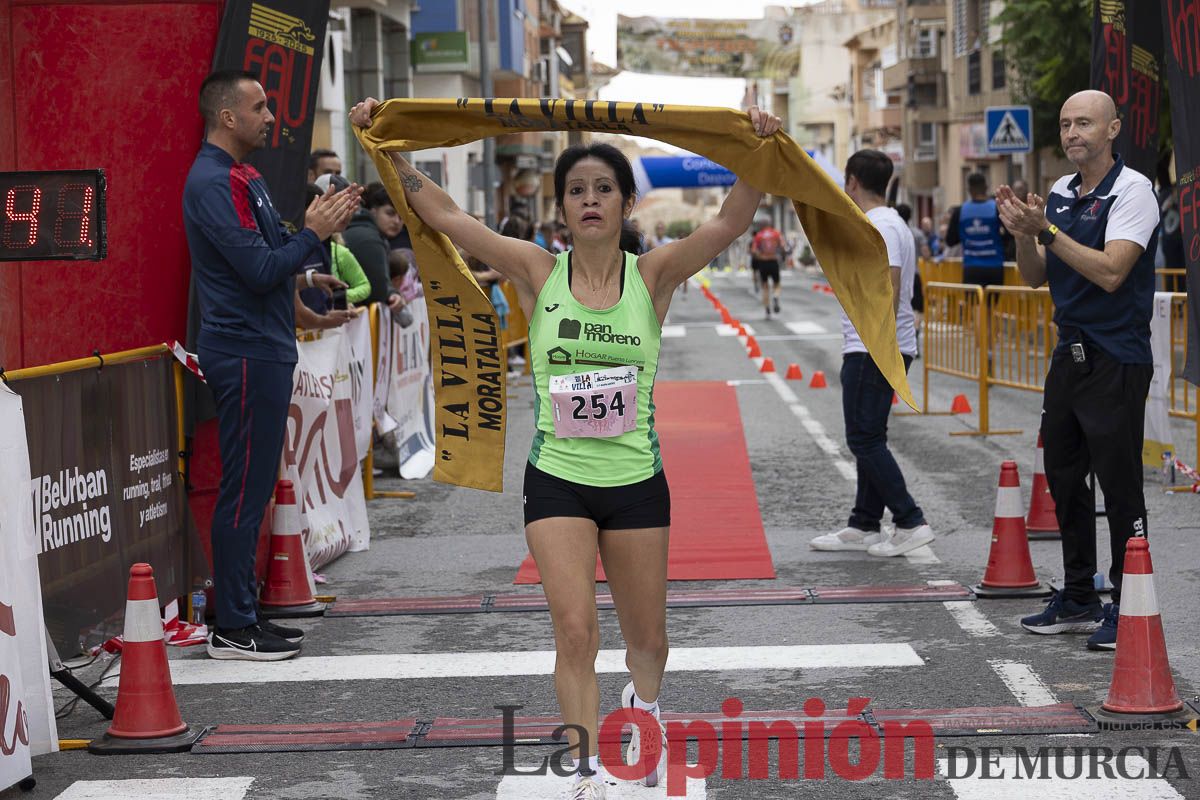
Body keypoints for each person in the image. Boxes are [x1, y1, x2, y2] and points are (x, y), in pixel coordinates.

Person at [351, 97, 781, 800]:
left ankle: (645, 712)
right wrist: (386, 153)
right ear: (562, 209)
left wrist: (760, 151)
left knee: (650, 642)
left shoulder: (654, 276)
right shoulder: (537, 271)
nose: (589, 200)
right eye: (576, 190)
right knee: (575, 632)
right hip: (558, 480)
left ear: (625, 203)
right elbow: (451, 219)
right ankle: (586, 769)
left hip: (636, 481)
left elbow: (731, 221)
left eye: (603, 189)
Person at [183, 70, 360, 660]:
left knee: (255, 489)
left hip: (263, 347)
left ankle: (244, 611)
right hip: (243, 351)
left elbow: (269, 263)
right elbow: (259, 271)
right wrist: (313, 234)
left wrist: (306, 287)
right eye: (259, 107)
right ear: (227, 117)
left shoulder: (245, 175)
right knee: (243, 491)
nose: (271, 116)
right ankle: (231, 624)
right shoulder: (211, 182)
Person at [998, 89, 1159, 652]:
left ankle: (1128, 602)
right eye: (1066, 123)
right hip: (1069, 355)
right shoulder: (1062, 192)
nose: (1072, 133)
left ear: (1113, 128)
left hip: (1116, 356)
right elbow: (1035, 277)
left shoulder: (1133, 190)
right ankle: (1077, 595)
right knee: (1065, 479)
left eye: (1085, 123)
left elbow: (1113, 272)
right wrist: (1024, 236)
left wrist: (1046, 232)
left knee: (1119, 487)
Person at [809, 149, 934, 557]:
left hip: (873, 346)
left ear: (851, 183)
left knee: (863, 439)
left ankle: (909, 519)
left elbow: (890, 286)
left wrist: (871, 334)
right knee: (870, 436)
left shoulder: (878, 225)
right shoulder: (890, 221)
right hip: (879, 344)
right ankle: (864, 523)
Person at [296, 174, 372, 318]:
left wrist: (337, 303)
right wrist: (321, 319)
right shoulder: (296, 243)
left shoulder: (328, 245)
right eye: (336, 206)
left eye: (349, 206)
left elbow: (364, 286)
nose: (345, 213)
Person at [341, 185, 406, 310]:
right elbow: (378, 291)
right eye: (390, 213)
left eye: (401, 217)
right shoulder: (370, 240)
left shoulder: (370, 234)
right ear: (374, 211)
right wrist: (391, 294)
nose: (397, 221)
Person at [959, 172, 1005, 285]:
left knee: (973, 302)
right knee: (994, 303)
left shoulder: (961, 210)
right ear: (986, 187)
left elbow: (951, 239)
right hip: (994, 266)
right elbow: (1009, 232)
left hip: (971, 267)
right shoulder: (996, 208)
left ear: (969, 189)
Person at [750, 218, 785, 318]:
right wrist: (781, 256)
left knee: (765, 287)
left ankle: (767, 308)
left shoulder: (758, 236)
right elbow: (782, 246)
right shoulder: (776, 234)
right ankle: (775, 296)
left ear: (761, 225)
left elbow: (754, 250)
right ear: (770, 224)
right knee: (777, 284)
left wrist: (759, 256)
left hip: (763, 262)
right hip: (773, 261)